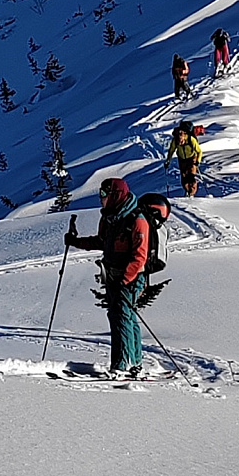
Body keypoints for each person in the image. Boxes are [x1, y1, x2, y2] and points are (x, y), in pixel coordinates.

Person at [66, 177, 149, 377]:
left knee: (122, 317)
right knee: (122, 317)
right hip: (113, 276)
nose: (101, 199)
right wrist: (76, 242)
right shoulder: (109, 218)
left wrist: (125, 279)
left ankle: (123, 365)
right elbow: (102, 242)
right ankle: (134, 361)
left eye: (104, 195)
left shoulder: (136, 220)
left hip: (131, 278)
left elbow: (140, 257)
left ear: (115, 196)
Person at [166, 121, 203, 197]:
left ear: (184, 138)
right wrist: (168, 161)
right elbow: (171, 150)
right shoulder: (175, 140)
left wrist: (198, 161)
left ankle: (192, 193)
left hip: (192, 158)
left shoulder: (191, 139)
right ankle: (187, 191)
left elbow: (199, 151)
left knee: (191, 176)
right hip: (182, 159)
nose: (180, 143)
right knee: (184, 177)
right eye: (179, 142)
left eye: (181, 141)